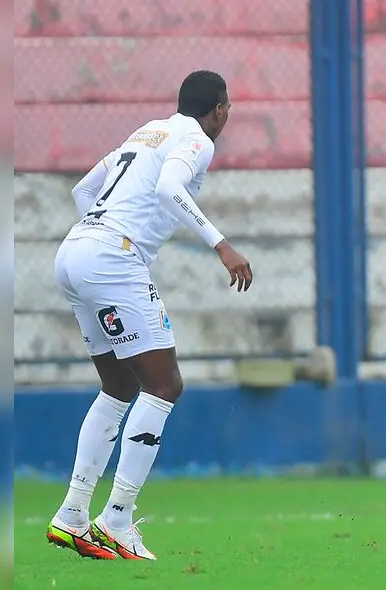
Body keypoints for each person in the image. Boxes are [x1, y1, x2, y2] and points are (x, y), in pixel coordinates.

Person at [45, 70, 253, 560]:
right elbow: (168, 189)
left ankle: (73, 513)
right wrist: (220, 244)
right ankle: (116, 518)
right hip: (112, 259)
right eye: (227, 110)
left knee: (118, 387)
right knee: (165, 386)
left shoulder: (149, 130)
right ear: (219, 109)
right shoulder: (198, 140)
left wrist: (102, 235)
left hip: (74, 251)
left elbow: (83, 189)